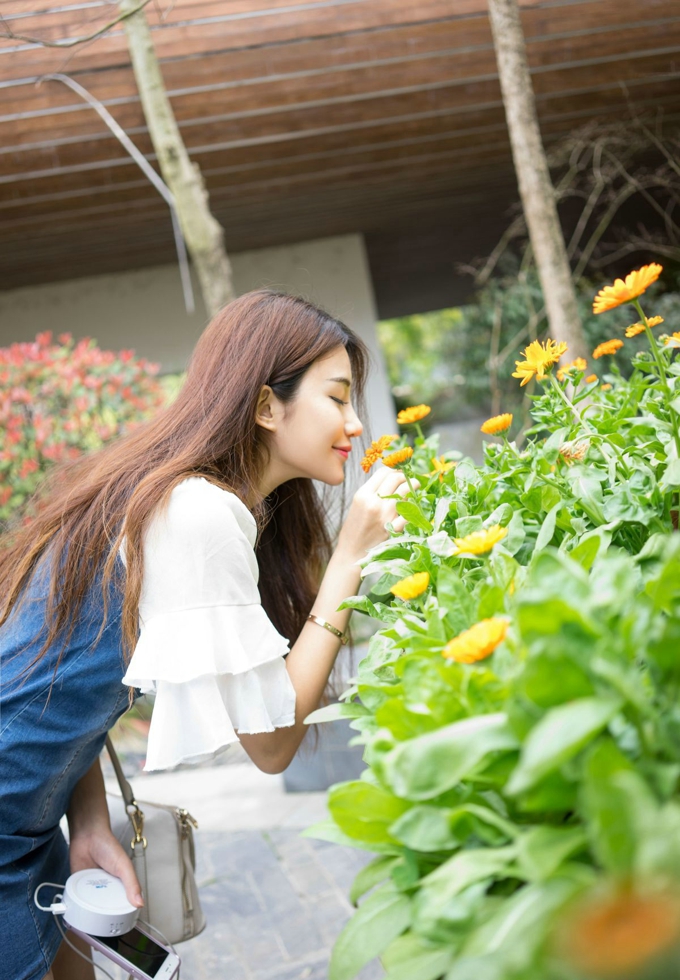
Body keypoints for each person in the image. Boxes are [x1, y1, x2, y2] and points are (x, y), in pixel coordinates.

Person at [0, 291, 409, 980]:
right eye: (338, 398)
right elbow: (273, 743)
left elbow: (59, 676)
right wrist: (350, 560)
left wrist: (88, 820)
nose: (357, 422)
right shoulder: (197, 512)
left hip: (30, 822)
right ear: (265, 406)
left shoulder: (204, 500)